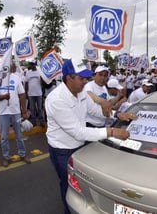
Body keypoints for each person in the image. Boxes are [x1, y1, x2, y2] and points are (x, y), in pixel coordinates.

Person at [45, 58, 130, 214]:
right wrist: (111, 132)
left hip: (79, 145)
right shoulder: (56, 100)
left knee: (81, 183)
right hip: (62, 149)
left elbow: (94, 111)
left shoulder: (81, 91)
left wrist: (117, 114)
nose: (85, 82)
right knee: (68, 185)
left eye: (86, 78)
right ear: (69, 78)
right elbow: (77, 131)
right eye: (81, 78)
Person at [0, 63, 32, 167]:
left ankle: (22, 154)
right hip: (3, 113)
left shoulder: (17, 78)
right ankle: (6, 157)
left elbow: (22, 95)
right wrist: (4, 97)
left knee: (19, 135)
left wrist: (24, 111)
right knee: (4, 137)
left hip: (16, 112)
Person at [25, 60, 45, 127]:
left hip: (39, 93)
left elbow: (42, 84)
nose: (32, 65)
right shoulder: (28, 73)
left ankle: (41, 121)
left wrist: (42, 78)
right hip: (31, 94)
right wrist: (26, 93)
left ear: (35, 65)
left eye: (33, 64)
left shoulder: (40, 72)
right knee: (32, 108)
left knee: (39, 108)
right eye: (31, 64)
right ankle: (33, 122)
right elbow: (26, 83)